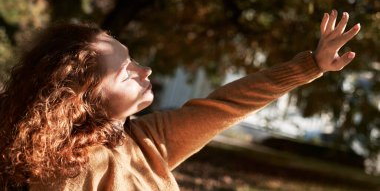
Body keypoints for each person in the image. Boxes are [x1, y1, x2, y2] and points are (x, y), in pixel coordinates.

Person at [0, 10, 360, 191]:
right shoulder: (66, 173)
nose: (146, 70)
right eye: (126, 69)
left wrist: (311, 65)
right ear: (84, 95)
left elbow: (229, 104)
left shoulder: (145, 140)